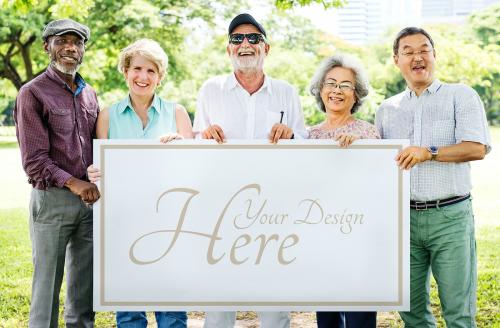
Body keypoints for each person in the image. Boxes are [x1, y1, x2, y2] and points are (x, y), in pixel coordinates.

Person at [193, 13, 307, 328]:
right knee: (218, 297)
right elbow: (196, 145)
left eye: (253, 38)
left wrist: (291, 135)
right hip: (222, 206)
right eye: (237, 39)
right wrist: (204, 136)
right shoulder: (210, 90)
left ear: (266, 48)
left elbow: (305, 144)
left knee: (274, 299)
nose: (245, 44)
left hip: (274, 208)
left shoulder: (286, 91)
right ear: (228, 49)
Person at [375, 27, 491, 327]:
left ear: (434, 55)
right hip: (404, 222)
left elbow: (477, 148)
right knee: (411, 313)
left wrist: (430, 153)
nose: (417, 57)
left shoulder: (460, 95)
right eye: (408, 51)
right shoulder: (386, 109)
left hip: (450, 217)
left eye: (424, 49)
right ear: (396, 60)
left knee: (459, 313)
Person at [87, 39, 192, 327]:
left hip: (170, 223)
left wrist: (184, 146)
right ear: (125, 71)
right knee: (129, 307)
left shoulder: (177, 113)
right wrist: (95, 172)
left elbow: (194, 171)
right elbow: (100, 168)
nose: (143, 77)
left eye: (151, 71)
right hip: (124, 222)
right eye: (137, 68)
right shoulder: (107, 116)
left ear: (160, 76)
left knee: (171, 307)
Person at [14, 19, 100, 327]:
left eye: (77, 42)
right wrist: (75, 183)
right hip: (52, 201)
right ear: (46, 46)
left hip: (89, 204)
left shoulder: (90, 94)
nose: (70, 48)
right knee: (47, 283)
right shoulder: (32, 93)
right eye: (62, 40)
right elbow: (35, 161)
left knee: (83, 287)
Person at [309, 54, 378, 328]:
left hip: (358, 238)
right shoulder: (308, 136)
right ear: (321, 89)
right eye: (331, 83)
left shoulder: (368, 133)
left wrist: (360, 150)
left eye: (346, 85)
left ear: (356, 94)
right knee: (327, 319)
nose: (337, 90)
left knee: (359, 317)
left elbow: (377, 184)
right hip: (320, 239)